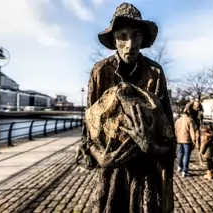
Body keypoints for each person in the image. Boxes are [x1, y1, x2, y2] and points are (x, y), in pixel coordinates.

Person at [81, 3, 176, 213]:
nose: (129, 44)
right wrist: (101, 157)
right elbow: (87, 134)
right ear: (114, 39)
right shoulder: (100, 72)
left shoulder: (155, 72)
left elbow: (169, 137)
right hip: (112, 175)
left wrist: (152, 147)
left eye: (136, 35)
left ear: (143, 39)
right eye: (122, 36)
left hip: (147, 175)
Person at [174, 106, 196, 177]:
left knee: (180, 154)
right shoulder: (190, 120)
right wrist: (194, 140)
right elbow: (192, 132)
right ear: (189, 113)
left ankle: (180, 167)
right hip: (187, 140)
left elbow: (175, 130)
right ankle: (185, 171)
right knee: (186, 155)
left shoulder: (178, 120)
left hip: (179, 139)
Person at [185, 100, 204, 165]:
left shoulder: (199, 109)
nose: (198, 109)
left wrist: (201, 120)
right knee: (189, 145)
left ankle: (200, 160)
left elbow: (201, 118)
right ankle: (186, 158)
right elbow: (185, 110)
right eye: (197, 107)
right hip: (190, 128)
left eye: (199, 107)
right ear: (193, 106)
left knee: (198, 144)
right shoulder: (190, 108)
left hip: (196, 128)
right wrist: (191, 102)